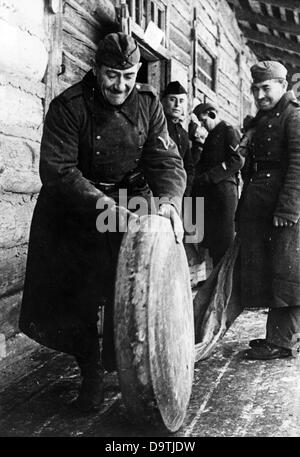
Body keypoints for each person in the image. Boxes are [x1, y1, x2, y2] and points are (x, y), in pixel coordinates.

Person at [19, 32, 186, 411]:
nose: (120, 85)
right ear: (96, 70)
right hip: (76, 205)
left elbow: (166, 161)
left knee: (129, 284)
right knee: (79, 293)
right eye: (112, 75)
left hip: (129, 197)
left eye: (128, 76)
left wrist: (172, 201)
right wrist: (110, 210)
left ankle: (124, 366)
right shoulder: (69, 106)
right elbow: (59, 171)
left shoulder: (148, 103)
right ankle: (90, 374)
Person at [236, 60, 300, 360]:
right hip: (263, 207)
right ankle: (277, 336)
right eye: (255, 89)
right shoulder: (265, 118)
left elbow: (298, 167)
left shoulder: (294, 116)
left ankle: (283, 342)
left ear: (283, 86)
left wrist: (288, 210)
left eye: (266, 88)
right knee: (275, 271)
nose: (260, 95)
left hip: (284, 209)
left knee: (287, 273)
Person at [192, 103, 243, 266]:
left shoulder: (229, 130)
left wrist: (210, 176)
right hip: (212, 195)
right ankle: (215, 283)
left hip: (225, 194)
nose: (202, 125)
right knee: (214, 242)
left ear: (213, 114)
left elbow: (237, 160)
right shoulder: (211, 137)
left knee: (225, 240)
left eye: (203, 120)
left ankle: (225, 285)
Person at [161, 81, 194, 197]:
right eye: (172, 99)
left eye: (181, 101)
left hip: (179, 193)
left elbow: (188, 167)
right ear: (163, 101)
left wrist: (186, 192)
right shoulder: (157, 127)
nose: (177, 105)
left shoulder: (183, 134)